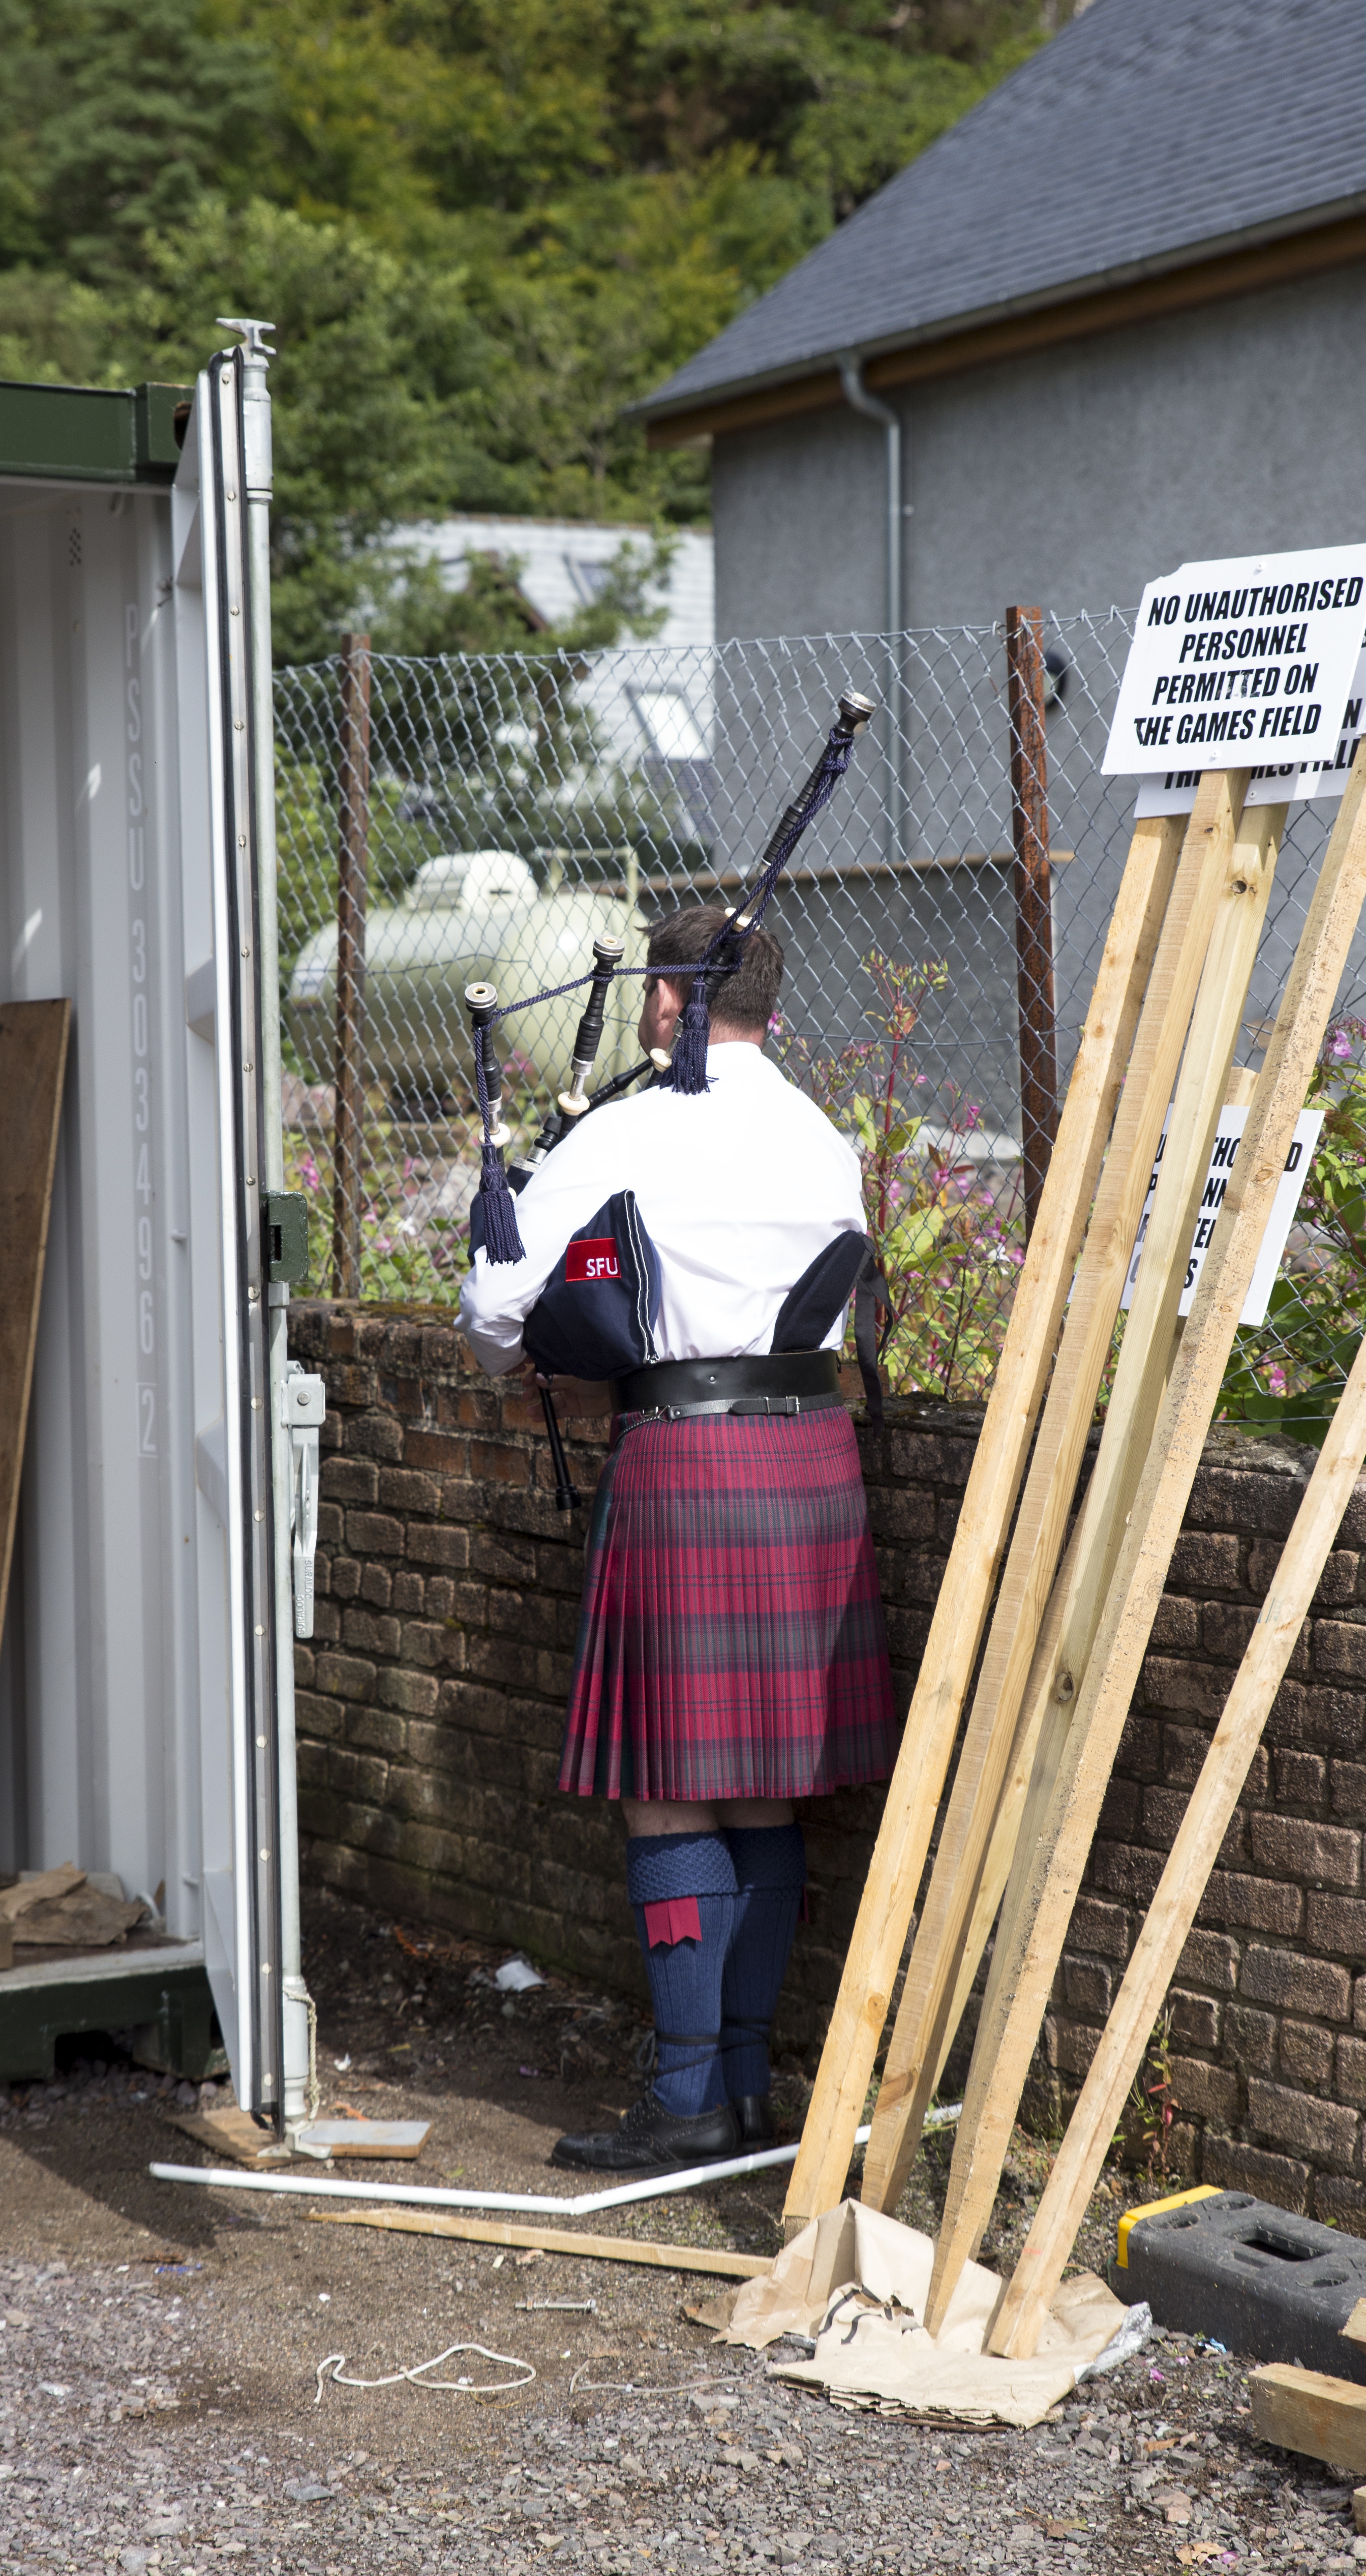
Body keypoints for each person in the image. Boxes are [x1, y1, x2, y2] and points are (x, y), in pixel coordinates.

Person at [456, 905, 897, 2169]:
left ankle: (688, 2093)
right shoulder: (823, 1137)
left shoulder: (631, 1127)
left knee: (666, 1788)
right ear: (768, 999)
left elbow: (494, 1304)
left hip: (685, 1458)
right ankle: (746, 2084)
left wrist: (538, 1330)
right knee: (765, 1782)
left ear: (668, 1000)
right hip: (813, 1461)